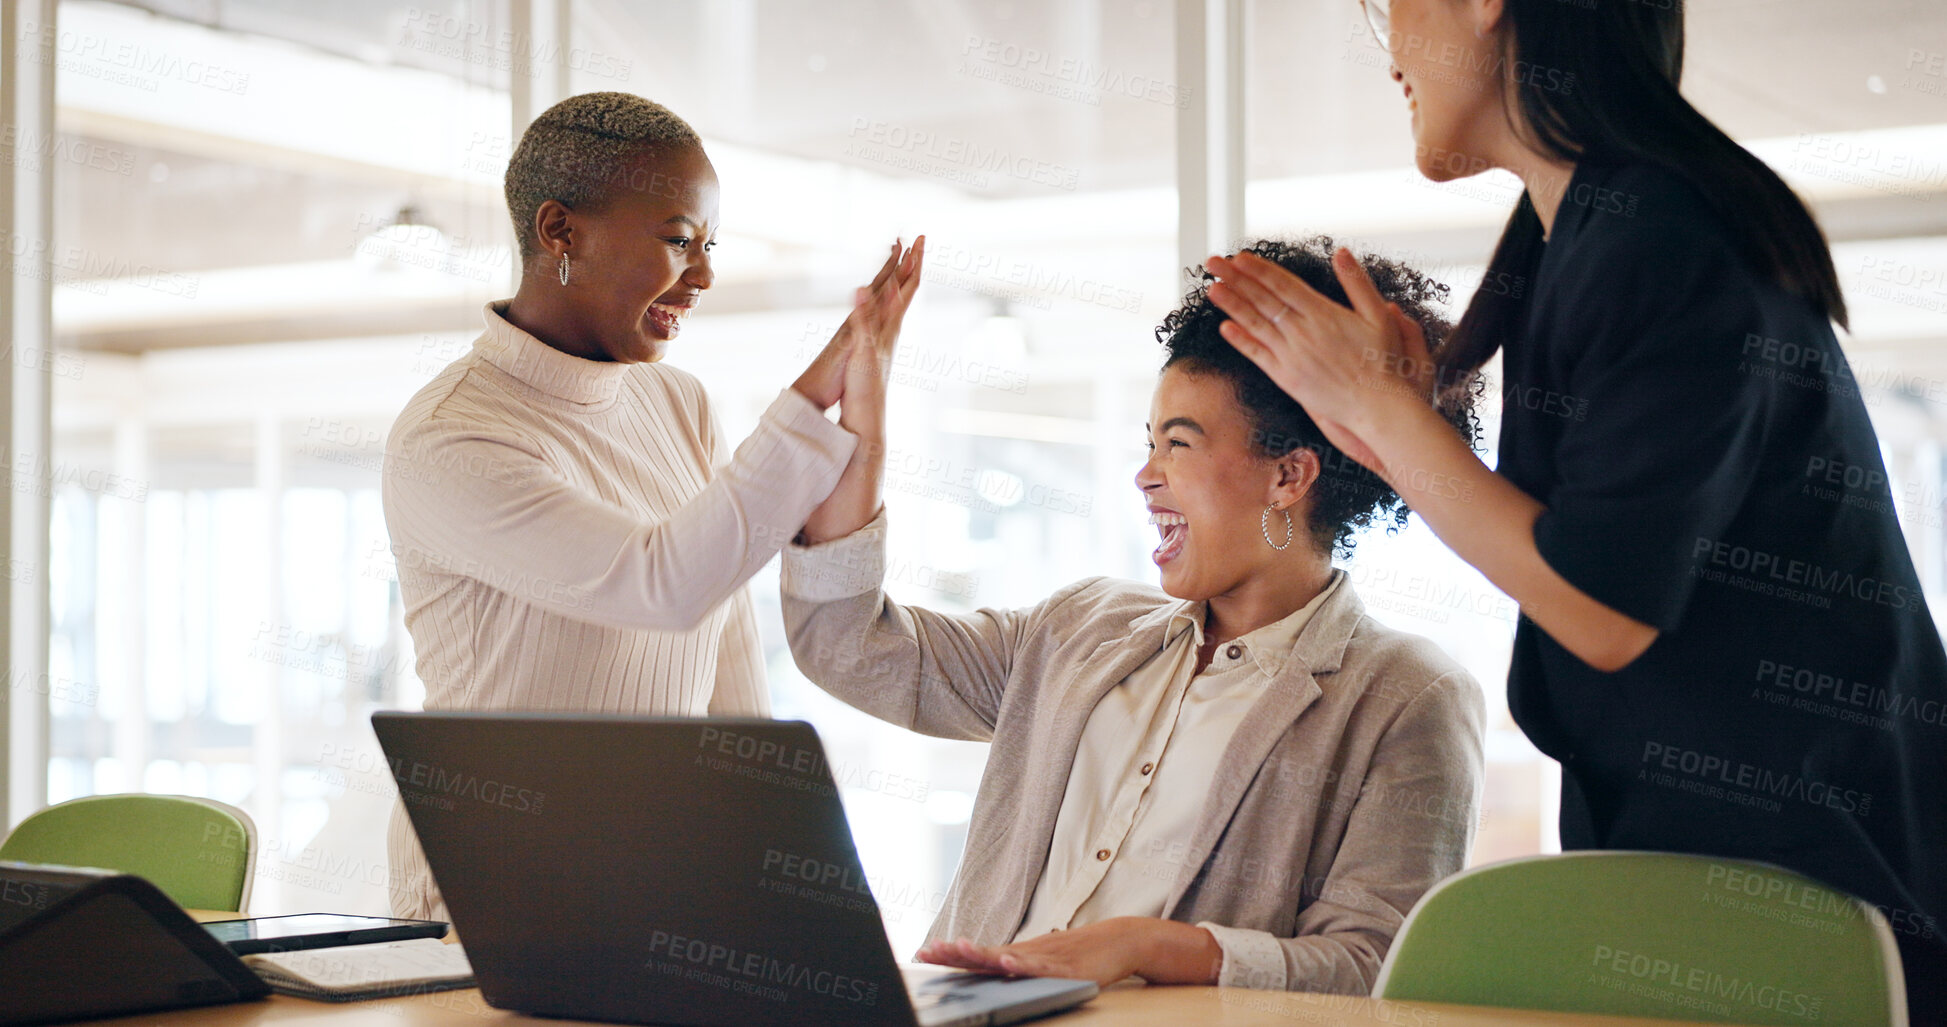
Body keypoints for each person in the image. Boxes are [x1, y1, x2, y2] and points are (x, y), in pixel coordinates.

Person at [1206, 0, 1945, 1013]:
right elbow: (1569, 558)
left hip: (1811, 894)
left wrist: (1382, 413)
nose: (1389, 56)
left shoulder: (1660, 235)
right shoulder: (1582, 233)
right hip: (1719, 874)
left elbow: (1601, 605)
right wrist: (1389, 425)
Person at [783, 238, 1486, 994]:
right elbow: (848, 644)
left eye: (1177, 444)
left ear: (1288, 475)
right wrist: (864, 424)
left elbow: (1373, 965)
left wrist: (1147, 945)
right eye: (1148, 443)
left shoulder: (1408, 697)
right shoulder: (1076, 628)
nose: (1145, 475)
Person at [379, 91, 924, 920]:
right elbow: (657, 585)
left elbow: (723, 636)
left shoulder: (677, 403)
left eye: (709, 246)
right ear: (561, 232)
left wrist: (771, 861)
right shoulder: (453, 437)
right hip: (486, 882)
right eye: (677, 241)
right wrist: (820, 386)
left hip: (644, 870)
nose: (702, 275)